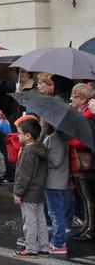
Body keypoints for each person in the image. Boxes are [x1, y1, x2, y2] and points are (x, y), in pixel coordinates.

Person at [13, 119, 49, 258]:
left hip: (28, 192)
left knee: (30, 222)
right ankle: (43, 247)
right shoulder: (40, 148)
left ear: (27, 135)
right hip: (38, 190)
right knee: (40, 220)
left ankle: (31, 248)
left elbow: (24, 175)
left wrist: (18, 192)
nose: (18, 136)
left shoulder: (28, 152)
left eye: (19, 133)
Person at [67, 83, 95, 241]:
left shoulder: (88, 115)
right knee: (84, 196)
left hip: (86, 161)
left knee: (89, 196)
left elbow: (84, 141)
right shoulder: (80, 114)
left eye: (75, 96)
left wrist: (69, 139)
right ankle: (87, 225)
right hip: (77, 160)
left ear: (84, 99)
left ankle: (91, 228)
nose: (72, 99)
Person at [43, 119, 70, 255]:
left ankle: (58, 243)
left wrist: (43, 154)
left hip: (54, 182)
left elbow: (55, 161)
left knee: (56, 213)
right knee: (56, 212)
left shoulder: (55, 138)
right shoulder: (59, 137)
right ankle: (58, 240)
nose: (41, 120)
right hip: (56, 181)